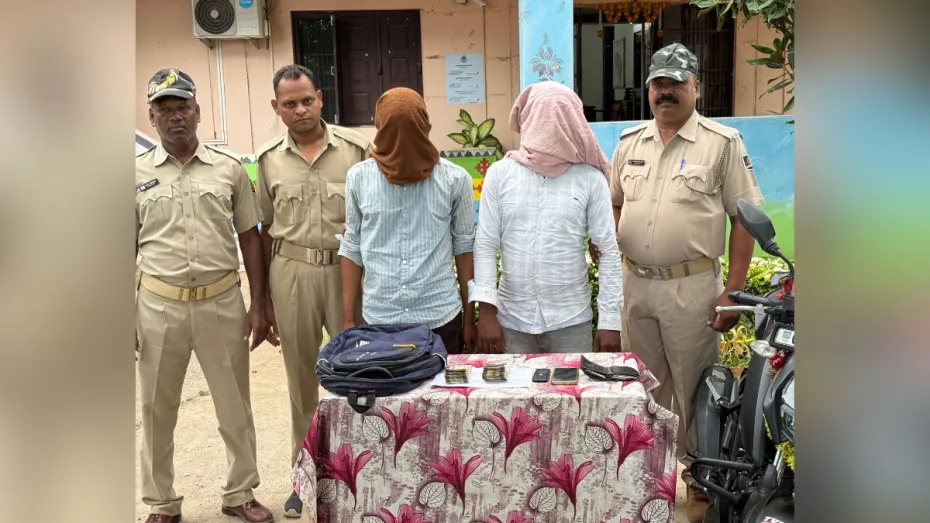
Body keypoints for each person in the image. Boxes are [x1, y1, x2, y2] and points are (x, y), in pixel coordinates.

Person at [608, 43, 764, 522]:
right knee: (644, 388)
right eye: (658, 83)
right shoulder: (629, 143)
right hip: (638, 287)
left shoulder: (722, 143)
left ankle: (700, 481)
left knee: (696, 389)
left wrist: (732, 290)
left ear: (697, 87)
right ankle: (648, 477)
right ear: (648, 89)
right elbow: (615, 202)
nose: (666, 91)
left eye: (676, 83)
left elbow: (744, 218)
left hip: (691, 288)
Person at [135, 68, 273, 523]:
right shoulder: (133, 173)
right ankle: (161, 502)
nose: (175, 117)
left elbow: (250, 236)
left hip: (221, 302)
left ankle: (240, 493)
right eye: (165, 110)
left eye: (183, 108)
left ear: (198, 112)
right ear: (151, 117)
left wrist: (258, 303)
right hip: (158, 305)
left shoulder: (228, 168)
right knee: (157, 410)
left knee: (235, 405)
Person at [254, 64, 370, 518]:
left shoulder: (356, 150)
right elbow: (264, 230)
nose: (300, 109)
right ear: (276, 107)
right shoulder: (267, 160)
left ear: (320, 98)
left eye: (306, 100)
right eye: (290, 104)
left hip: (346, 273)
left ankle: (357, 471)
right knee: (301, 380)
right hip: (292, 273)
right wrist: (263, 301)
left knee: (356, 373)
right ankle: (303, 478)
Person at [470, 81, 623, 354]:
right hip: (510, 319)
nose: (550, 126)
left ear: (572, 122)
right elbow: (485, 244)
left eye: (559, 117)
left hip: (571, 319)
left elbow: (608, 250)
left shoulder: (590, 179)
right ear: (528, 119)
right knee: (513, 385)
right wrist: (487, 312)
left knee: (570, 384)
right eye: (542, 116)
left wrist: (610, 322)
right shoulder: (500, 174)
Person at [338, 87, 476, 354]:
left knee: (441, 384)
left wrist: (469, 320)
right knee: (385, 383)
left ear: (424, 127)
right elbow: (352, 247)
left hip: (439, 316)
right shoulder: (358, 178)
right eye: (393, 129)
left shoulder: (455, 180)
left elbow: (464, 249)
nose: (402, 138)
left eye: (410, 128)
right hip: (380, 319)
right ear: (380, 128)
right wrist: (348, 321)